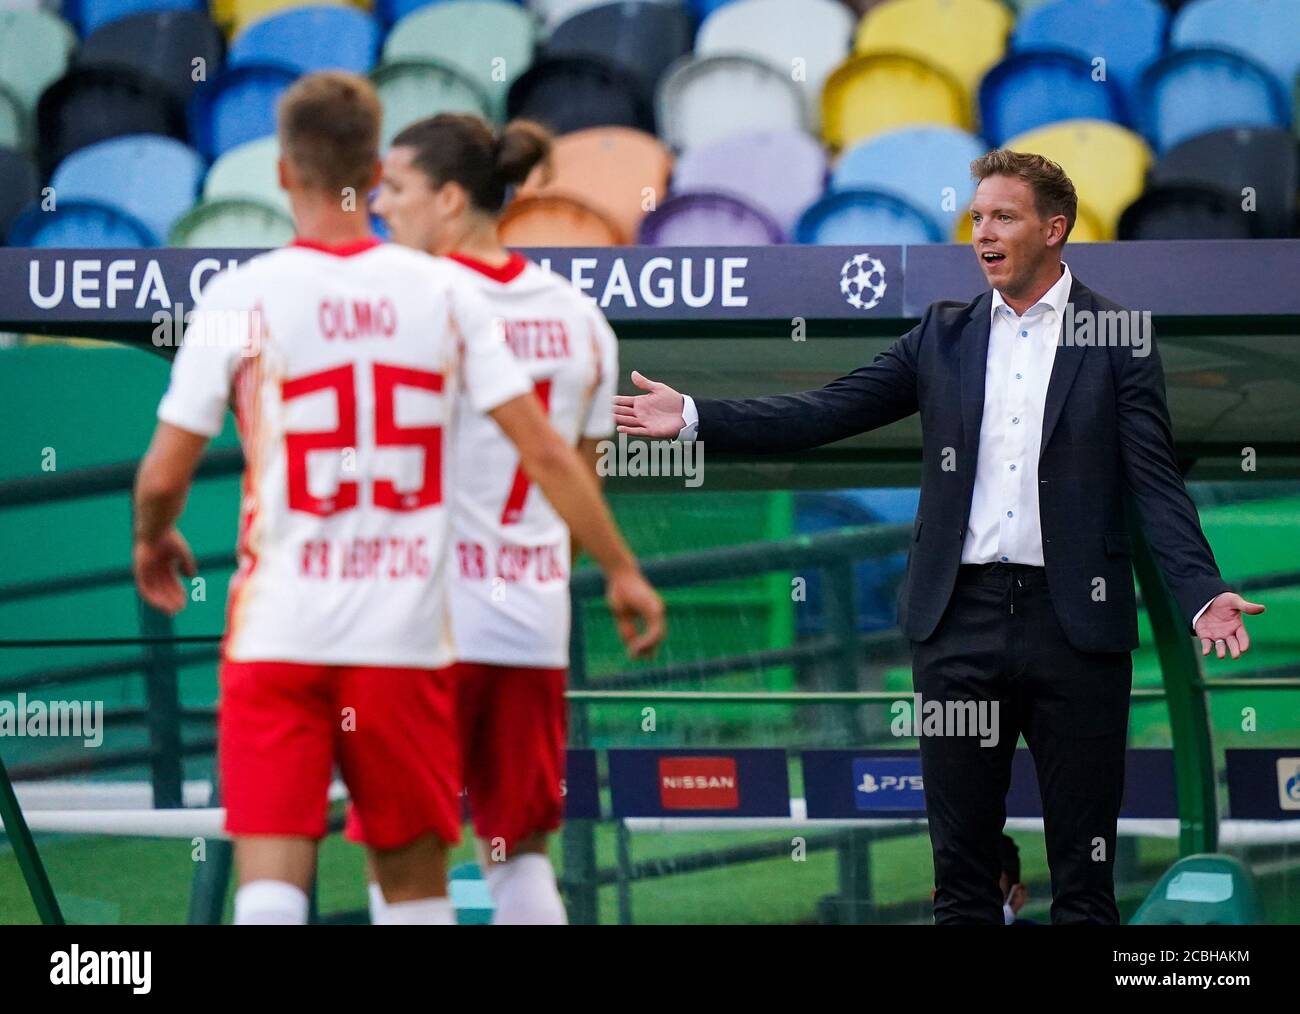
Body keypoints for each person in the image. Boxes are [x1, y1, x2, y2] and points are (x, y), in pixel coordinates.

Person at [613, 150, 1265, 925]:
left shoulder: (1117, 336)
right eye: (977, 218)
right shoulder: (942, 335)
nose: (983, 233)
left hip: (1076, 630)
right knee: (963, 880)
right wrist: (695, 416)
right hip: (958, 623)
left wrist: (1199, 592)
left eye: (1004, 217)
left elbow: (1154, 481)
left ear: (1054, 230)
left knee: (1084, 884)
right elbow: (826, 411)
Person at [131, 71, 663, 926]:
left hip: (302, 621)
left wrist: (151, 537)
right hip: (433, 629)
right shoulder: (454, 296)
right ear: (371, 171)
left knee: (271, 879)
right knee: (458, 873)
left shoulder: (241, 294)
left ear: (281, 174)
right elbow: (553, 455)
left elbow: (162, 476)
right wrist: (623, 570)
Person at [350, 112, 624, 924]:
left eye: (394, 188)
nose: (377, 203)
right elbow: (581, 485)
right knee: (515, 858)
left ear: (450, 197)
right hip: (530, 622)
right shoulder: (583, 321)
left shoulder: (406, 304)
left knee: (402, 864)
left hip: (420, 621)